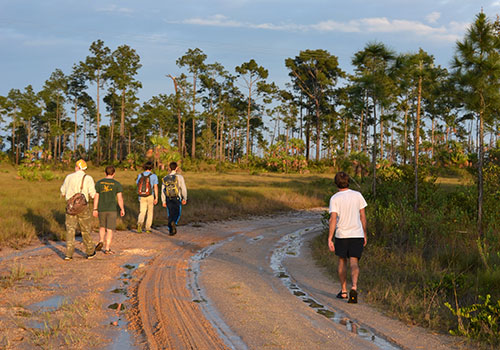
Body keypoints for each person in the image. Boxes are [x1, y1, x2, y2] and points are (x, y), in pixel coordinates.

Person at [327, 171, 368, 304]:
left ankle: (344, 290)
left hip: (342, 235)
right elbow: (363, 216)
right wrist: (365, 233)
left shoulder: (335, 198)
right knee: (354, 262)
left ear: (336, 183)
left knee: (342, 261)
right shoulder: (358, 195)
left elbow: (333, 218)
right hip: (357, 234)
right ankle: (354, 287)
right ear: (348, 181)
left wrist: (330, 238)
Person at [60, 159, 97, 260]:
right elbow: (93, 194)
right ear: (84, 168)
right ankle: (90, 252)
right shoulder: (88, 178)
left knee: (70, 230)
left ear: (77, 167)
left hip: (70, 207)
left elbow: (62, 192)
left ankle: (68, 254)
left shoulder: (68, 177)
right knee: (85, 230)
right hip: (83, 207)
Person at [93, 165, 125, 255]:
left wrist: (95, 209)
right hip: (112, 209)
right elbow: (119, 198)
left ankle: (101, 240)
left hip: (101, 208)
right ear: (114, 173)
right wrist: (122, 208)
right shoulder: (117, 184)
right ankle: (107, 249)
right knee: (110, 229)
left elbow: (96, 197)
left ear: (105, 173)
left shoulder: (99, 183)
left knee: (102, 226)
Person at [161, 162, 187, 236]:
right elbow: (183, 188)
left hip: (168, 198)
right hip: (177, 197)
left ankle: (170, 229)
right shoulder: (180, 177)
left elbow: (163, 190)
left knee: (170, 213)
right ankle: (174, 223)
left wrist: (163, 201)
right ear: (177, 168)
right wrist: (184, 198)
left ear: (169, 168)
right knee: (177, 212)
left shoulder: (165, 178)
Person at [136, 161, 158, 234]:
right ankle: (148, 228)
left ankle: (139, 224)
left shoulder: (140, 175)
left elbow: (137, 184)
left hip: (141, 196)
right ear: (151, 168)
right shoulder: (154, 176)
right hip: (150, 195)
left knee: (142, 211)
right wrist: (156, 197)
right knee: (150, 212)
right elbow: (155, 187)